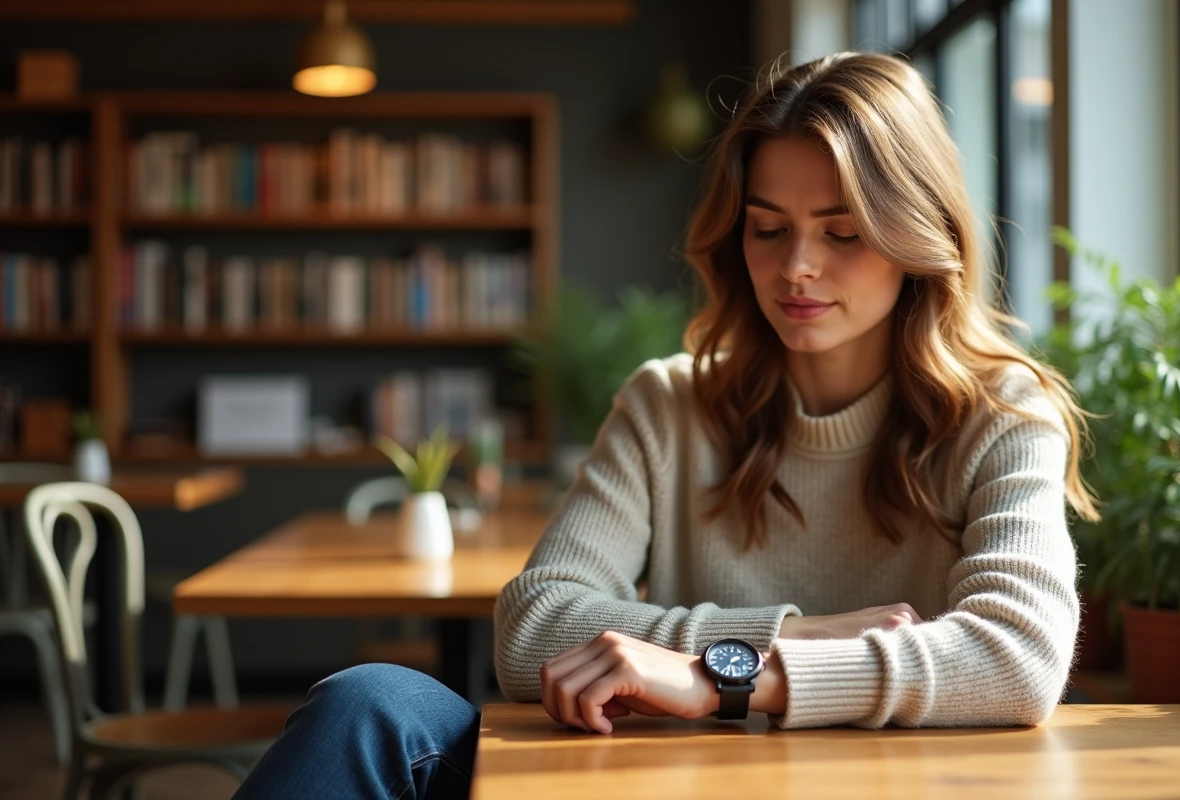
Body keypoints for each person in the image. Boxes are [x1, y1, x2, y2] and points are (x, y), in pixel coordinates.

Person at [233, 51, 1096, 800]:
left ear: (917, 238)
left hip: (884, 783)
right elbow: (533, 626)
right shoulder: (669, 403)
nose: (797, 266)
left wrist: (720, 679)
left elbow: (1018, 654)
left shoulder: (1001, 414)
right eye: (769, 228)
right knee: (369, 703)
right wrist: (784, 635)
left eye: (843, 233)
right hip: (662, 782)